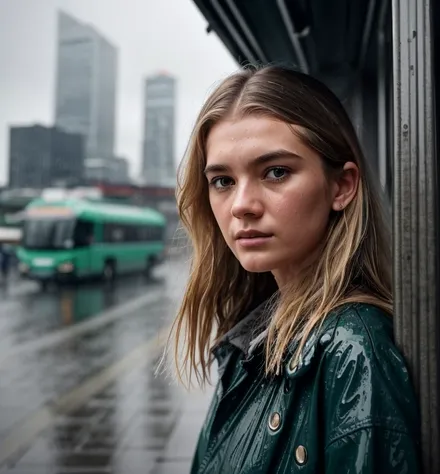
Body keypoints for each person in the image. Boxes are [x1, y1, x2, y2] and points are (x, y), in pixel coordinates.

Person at [171, 65, 420, 473]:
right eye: (222, 180)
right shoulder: (253, 339)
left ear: (341, 186)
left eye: (276, 172)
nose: (241, 205)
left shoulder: (352, 352)